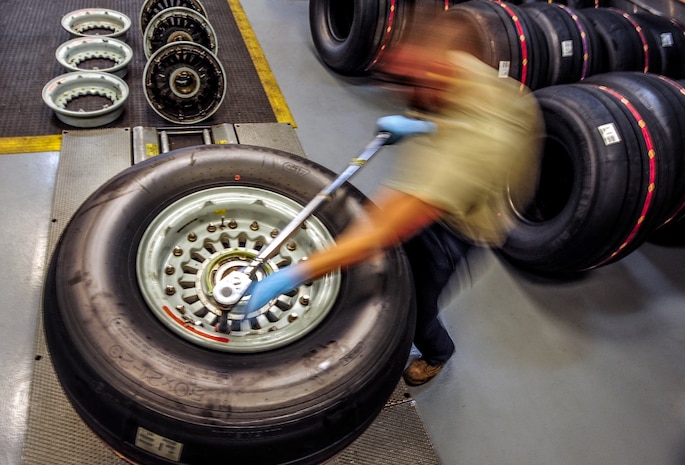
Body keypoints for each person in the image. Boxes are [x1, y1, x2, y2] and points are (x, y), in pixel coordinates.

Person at [241, 14, 543, 386]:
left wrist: (293, 274)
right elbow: (462, 117)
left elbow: (384, 229)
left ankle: (437, 353)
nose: (402, 96)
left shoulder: (472, 151)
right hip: (463, 171)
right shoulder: (460, 68)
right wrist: (428, 124)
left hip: (459, 228)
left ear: (436, 76)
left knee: (413, 306)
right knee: (365, 243)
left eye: (411, 88)